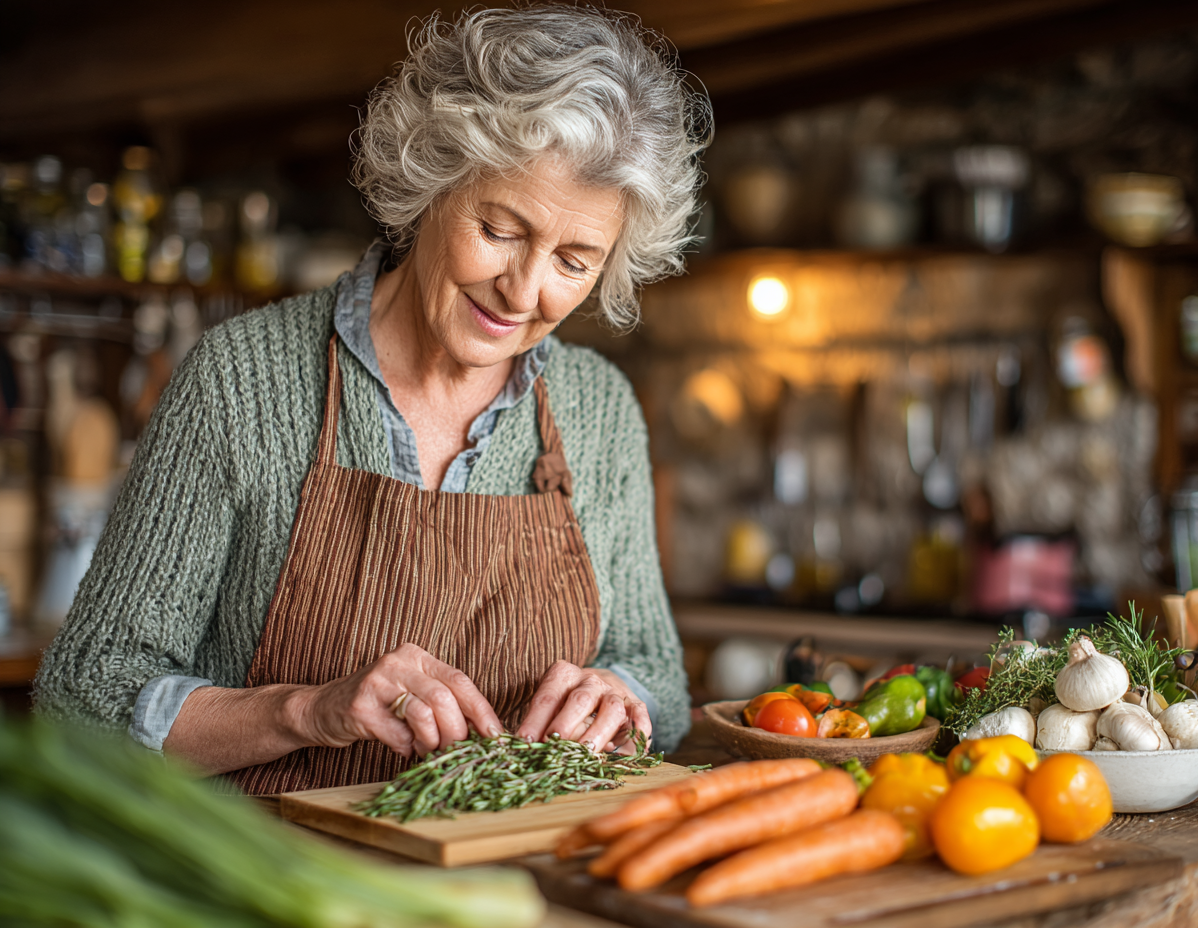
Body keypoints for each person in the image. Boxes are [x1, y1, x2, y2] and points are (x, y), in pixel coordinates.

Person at [34, 4, 711, 794]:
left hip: (517, 869)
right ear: (433, 178)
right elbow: (82, 697)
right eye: (499, 230)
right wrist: (306, 710)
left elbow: (661, 681)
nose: (523, 290)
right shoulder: (242, 380)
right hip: (275, 864)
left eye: (574, 261)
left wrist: (620, 697)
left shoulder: (599, 411)